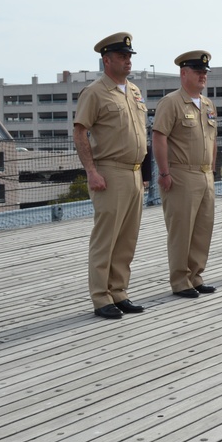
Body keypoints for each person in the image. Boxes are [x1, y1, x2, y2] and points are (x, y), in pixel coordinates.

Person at [72, 32, 149, 320]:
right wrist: (91, 171)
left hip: (133, 172)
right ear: (107, 60)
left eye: (129, 56)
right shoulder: (94, 92)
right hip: (110, 171)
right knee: (107, 237)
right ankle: (100, 296)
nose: (128, 61)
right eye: (122, 57)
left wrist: (143, 172)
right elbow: (80, 131)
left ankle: (119, 291)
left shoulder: (134, 91)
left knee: (127, 238)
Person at [152, 50, 218, 298]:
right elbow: (159, 137)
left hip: (204, 175)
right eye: (198, 72)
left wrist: (211, 169)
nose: (203, 76)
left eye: (205, 73)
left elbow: (212, 139)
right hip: (181, 174)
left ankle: (195, 276)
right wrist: (164, 172)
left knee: (203, 229)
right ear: (183, 73)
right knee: (182, 230)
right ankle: (180, 280)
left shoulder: (208, 105)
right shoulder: (171, 103)